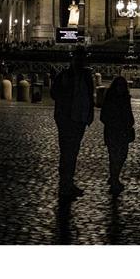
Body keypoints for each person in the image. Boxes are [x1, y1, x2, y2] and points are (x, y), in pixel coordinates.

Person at [51, 48, 95, 200]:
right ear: (73, 59)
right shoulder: (64, 75)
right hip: (67, 119)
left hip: (80, 119)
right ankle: (64, 185)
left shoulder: (87, 76)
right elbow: (54, 93)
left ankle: (69, 183)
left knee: (73, 153)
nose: (79, 62)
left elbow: (90, 95)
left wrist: (90, 114)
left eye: (81, 59)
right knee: (66, 154)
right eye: (78, 58)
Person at [100, 76, 136, 195]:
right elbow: (103, 115)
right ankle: (114, 179)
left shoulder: (125, 98)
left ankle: (114, 177)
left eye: (122, 86)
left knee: (122, 155)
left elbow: (128, 113)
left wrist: (130, 122)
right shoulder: (110, 99)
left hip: (122, 130)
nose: (120, 88)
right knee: (114, 156)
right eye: (119, 85)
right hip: (113, 131)